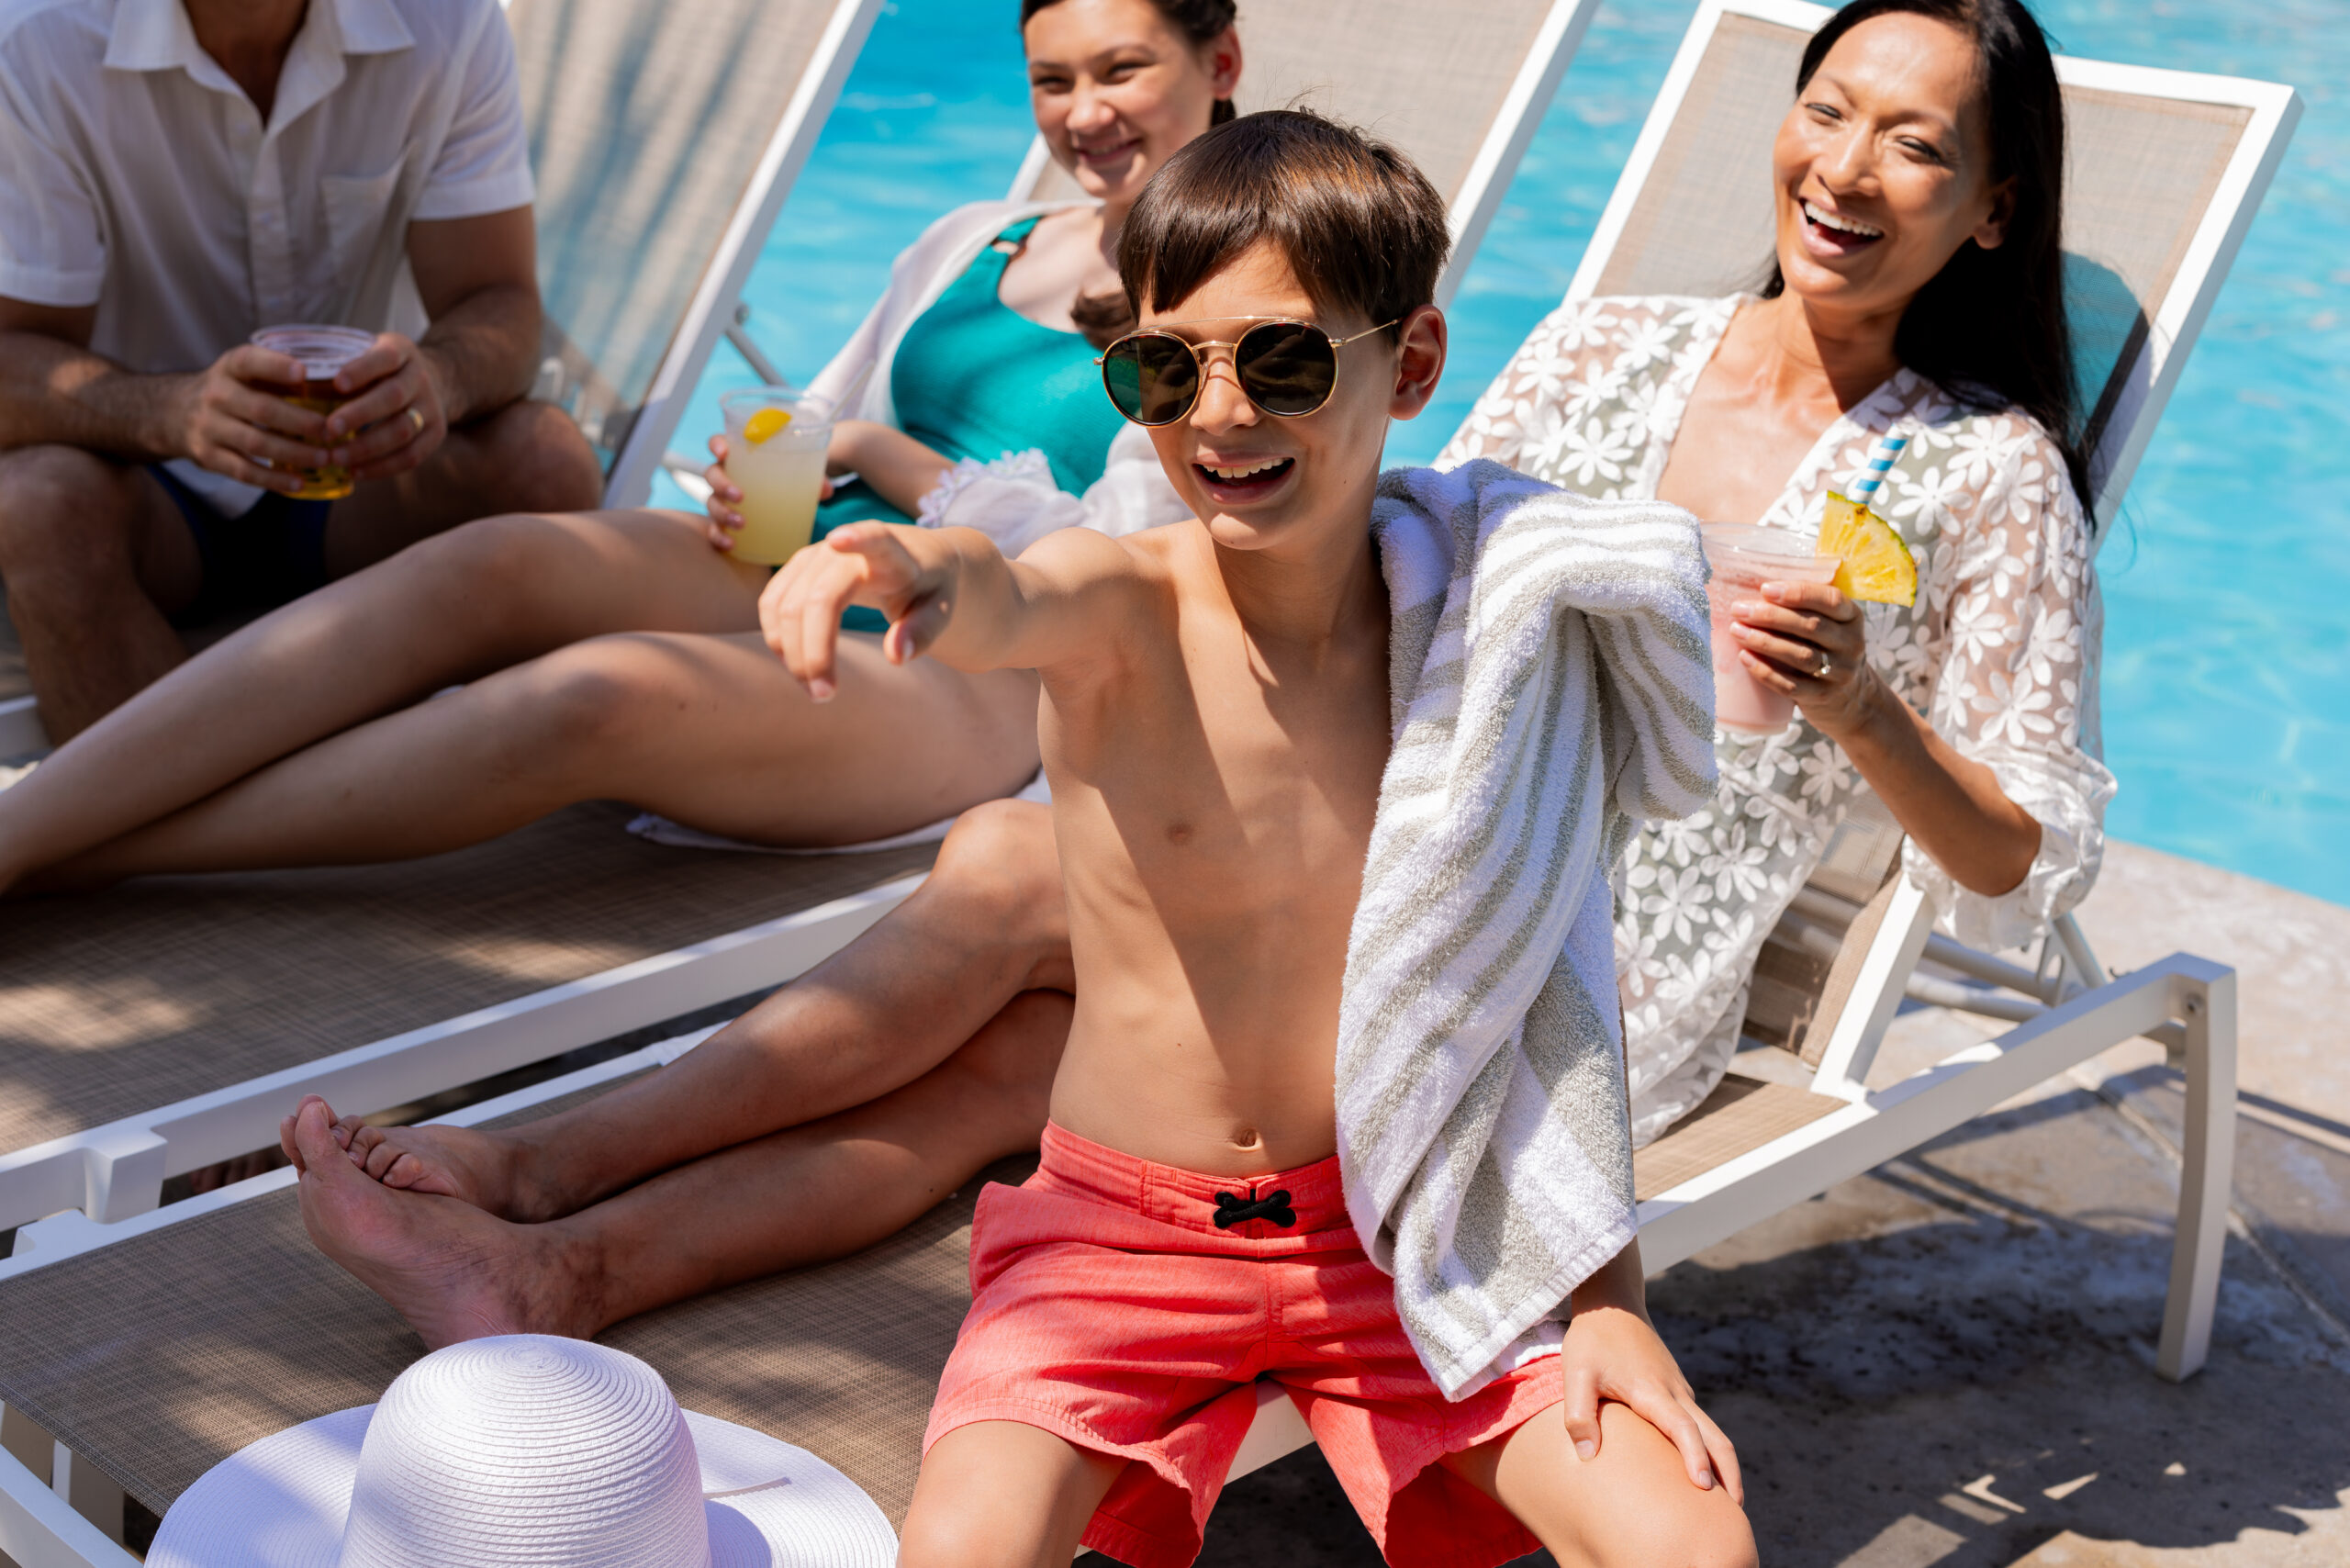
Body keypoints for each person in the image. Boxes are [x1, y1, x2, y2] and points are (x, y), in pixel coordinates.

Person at [280, 0, 2106, 1368]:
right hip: (1385, 800)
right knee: (1017, 1019)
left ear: (1991, 207)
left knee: (1006, 919)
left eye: (1914, 145)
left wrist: (1864, 703)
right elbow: (1379, 544)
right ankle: (543, 1251)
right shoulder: (1611, 338)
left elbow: (2010, 852)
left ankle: (535, 1194)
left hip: (1583, 951)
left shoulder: (1983, 471)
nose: (1846, 171)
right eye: (1826, 111)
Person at [296, 109, 1759, 1568]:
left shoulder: (1480, 642)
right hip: (1119, 1245)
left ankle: (549, 1218)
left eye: (1288, 360)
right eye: (1162, 369)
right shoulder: (1128, 607)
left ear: (1416, 362)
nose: (1222, 413)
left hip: (1386, 1237)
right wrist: (895, 561)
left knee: (1694, 1543)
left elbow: (1550, 985)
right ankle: (544, 1208)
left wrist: (1611, 1299)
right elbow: (1010, 590)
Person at [0, 0, 1234, 890]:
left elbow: (1165, 568)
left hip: (987, 661)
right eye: (1051, 80)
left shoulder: (1242, 295)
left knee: (593, 697)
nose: (1084, 114)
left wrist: (884, 457)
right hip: (801, 562)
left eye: (1121, 70)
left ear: (1219, 60)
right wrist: (772, 466)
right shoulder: (985, 236)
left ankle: (59, 850)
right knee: (496, 564)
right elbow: (814, 415)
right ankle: (62, 823)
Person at [0, 0, 604, 740]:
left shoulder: (446, 20)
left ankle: (491, 785)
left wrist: (439, 380)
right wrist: (170, 411)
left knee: (548, 461)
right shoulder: (34, 41)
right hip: (146, 488)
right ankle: (155, 835)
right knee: (36, 505)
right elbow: (11, 363)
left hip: (360, 472)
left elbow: (500, 301)